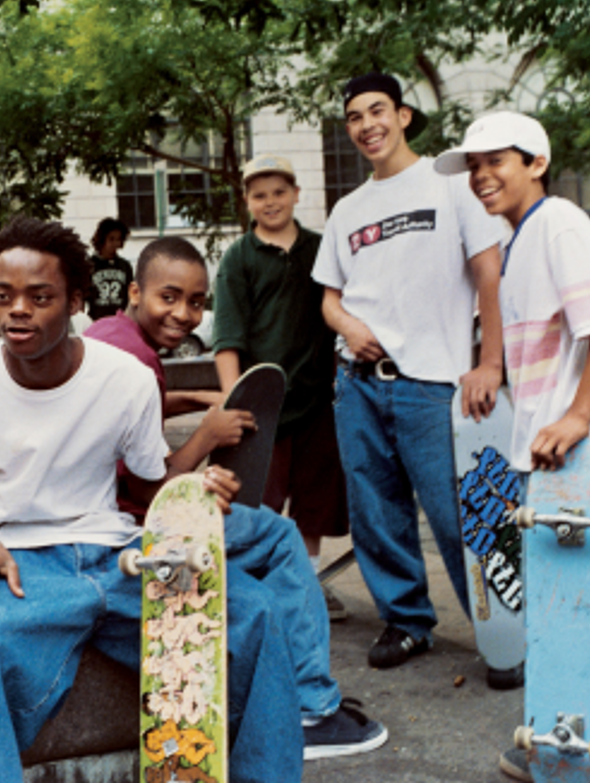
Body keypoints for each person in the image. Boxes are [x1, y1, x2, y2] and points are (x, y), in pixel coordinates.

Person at [0, 216, 303, 783]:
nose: (17, 310)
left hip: (120, 554)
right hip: (23, 561)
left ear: (75, 301)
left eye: (39, 297)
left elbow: (146, 485)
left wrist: (194, 494)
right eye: (2, 296)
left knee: (255, 611)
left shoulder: (125, 378)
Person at [85, 235, 388, 759]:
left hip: (96, 511)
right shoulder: (138, 362)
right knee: (280, 536)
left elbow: (140, 408)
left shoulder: (107, 335)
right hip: (133, 525)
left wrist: (193, 397)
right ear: (135, 291)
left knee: (258, 556)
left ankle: (271, 690)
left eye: (196, 302)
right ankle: (311, 708)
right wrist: (207, 436)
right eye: (168, 297)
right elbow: (153, 489)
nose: (183, 314)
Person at [433, 110, 590, 781]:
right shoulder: (518, 239)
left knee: (588, 603)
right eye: (473, 166)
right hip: (558, 457)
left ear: (536, 163)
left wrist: (578, 416)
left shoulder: (558, 221)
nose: (481, 176)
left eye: (495, 161)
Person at [311, 72, 509, 676]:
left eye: (377, 111)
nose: (366, 125)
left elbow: (489, 274)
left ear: (402, 116)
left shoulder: (450, 185)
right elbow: (329, 299)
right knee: (376, 512)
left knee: (460, 514)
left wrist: (490, 362)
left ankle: (503, 633)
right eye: (354, 117)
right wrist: (349, 327)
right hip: (359, 385)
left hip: (434, 384)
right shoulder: (348, 209)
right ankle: (407, 622)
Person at [212, 153, 351, 621]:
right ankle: (254, 585)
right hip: (263, 406)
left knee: (314, 501)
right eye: (259, 195)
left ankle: (306, 581)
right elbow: (228, 336)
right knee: (258, 500)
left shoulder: (320, 248)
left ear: (295, 194)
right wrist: (235, 400)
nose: (270, 202)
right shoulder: (239, 257)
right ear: (246, 201)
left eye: (278, 192)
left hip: (316, 399)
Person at [85, 216, 133, 320]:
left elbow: (130, 296)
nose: (115, 244)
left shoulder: (125, 266)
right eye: (111, 239)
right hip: (97, 320)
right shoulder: (89, 265)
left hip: (120, 320)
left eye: (118, 239)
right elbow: (83, 296)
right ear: (102, 239)